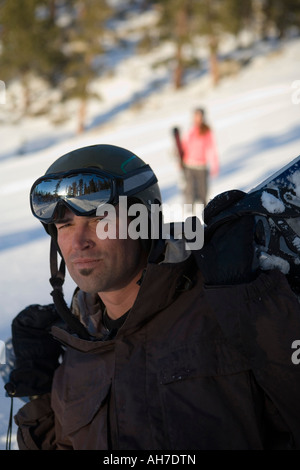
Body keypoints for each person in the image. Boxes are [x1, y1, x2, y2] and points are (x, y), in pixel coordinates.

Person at [5, 143, 300, 450]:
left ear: (144, 221)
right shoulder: (79, 347)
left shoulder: (222, 304)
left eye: (98, 221)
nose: (78, 242)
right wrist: (40, 398)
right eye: (65, 225)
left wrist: (261, 305)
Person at [181, 107, 219, 206]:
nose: (197, 118)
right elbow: (184, 146)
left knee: (203, 192)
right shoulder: (191, 130)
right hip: (189, 165)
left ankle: (205, 212)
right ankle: (190, 213)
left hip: (201, 166)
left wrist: (215, 164)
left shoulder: (206, 131)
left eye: (199, 116)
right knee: (190, 192)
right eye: (195, 116)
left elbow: (212, 148)